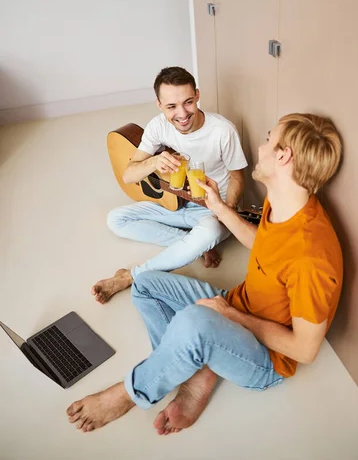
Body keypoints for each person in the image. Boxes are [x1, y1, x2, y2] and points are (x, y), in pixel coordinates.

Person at [68, 112, 343, 435]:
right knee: (143, 282)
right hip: (236, 306)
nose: (261, 144)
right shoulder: (286, 202)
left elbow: (304, 350)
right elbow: (266, 247)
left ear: (284, 156)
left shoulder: (312, 255)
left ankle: (129, 393)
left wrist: (231, 316)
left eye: (269, 138)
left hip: (265, 359)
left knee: (192, 323)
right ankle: (190, 366)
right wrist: (217, 206)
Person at [91, 66, 247, 303]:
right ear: (159, 105)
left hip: (212, 210)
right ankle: (194, 245)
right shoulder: (158, 126)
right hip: (176, 203)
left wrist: (226, 210)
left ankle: (130, 276)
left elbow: (237, 178)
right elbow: (129, 175)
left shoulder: (222, 130)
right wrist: (154, 161)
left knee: (212, 231)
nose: (182, 114)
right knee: (115, 219)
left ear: (197, 95)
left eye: (188, 102)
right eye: (171, 106)